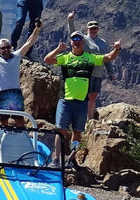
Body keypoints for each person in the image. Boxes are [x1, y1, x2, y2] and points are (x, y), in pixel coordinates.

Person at [44, 31, 122, 166]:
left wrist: (117, 49)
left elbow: (109, 57)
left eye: (79, 38)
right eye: (74, 39)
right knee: (61, 130)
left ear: (83, 42)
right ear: (71, 42)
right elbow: (48, 60)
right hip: (66, 101)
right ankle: (56, 159)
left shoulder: (90, 58)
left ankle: (72, 159)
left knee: (77, 133)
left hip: (82, 102)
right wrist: (58, 49)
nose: (77, 41)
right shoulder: (65, 57)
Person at [67, 12, 117, 120]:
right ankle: (79, 119)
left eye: (95, 28)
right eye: (91, 28)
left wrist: (111, 72)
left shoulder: (102, 42)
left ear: (98, 29)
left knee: (93, 97)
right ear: (87, 29)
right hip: (86, 72)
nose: (93, 30)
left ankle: (90, 120)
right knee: (83, 97)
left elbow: (107, 58)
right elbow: (73, 32)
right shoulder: (83, 39)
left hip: (98, 73)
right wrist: (70, 20)